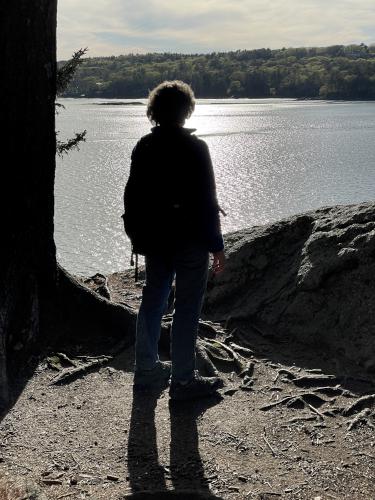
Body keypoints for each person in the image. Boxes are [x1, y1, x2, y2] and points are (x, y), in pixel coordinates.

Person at [123, 80, 225, 400]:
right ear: (186, 110)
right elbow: (208, 201)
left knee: (153, 301)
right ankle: (183, 381)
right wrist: (217, 246)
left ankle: (146, 371)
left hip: (155, 241)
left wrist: (136, 236)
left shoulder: (144, 147)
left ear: (154, 111)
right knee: (187, 308)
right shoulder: (196, 148)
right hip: (191, 240)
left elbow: (132, 196)